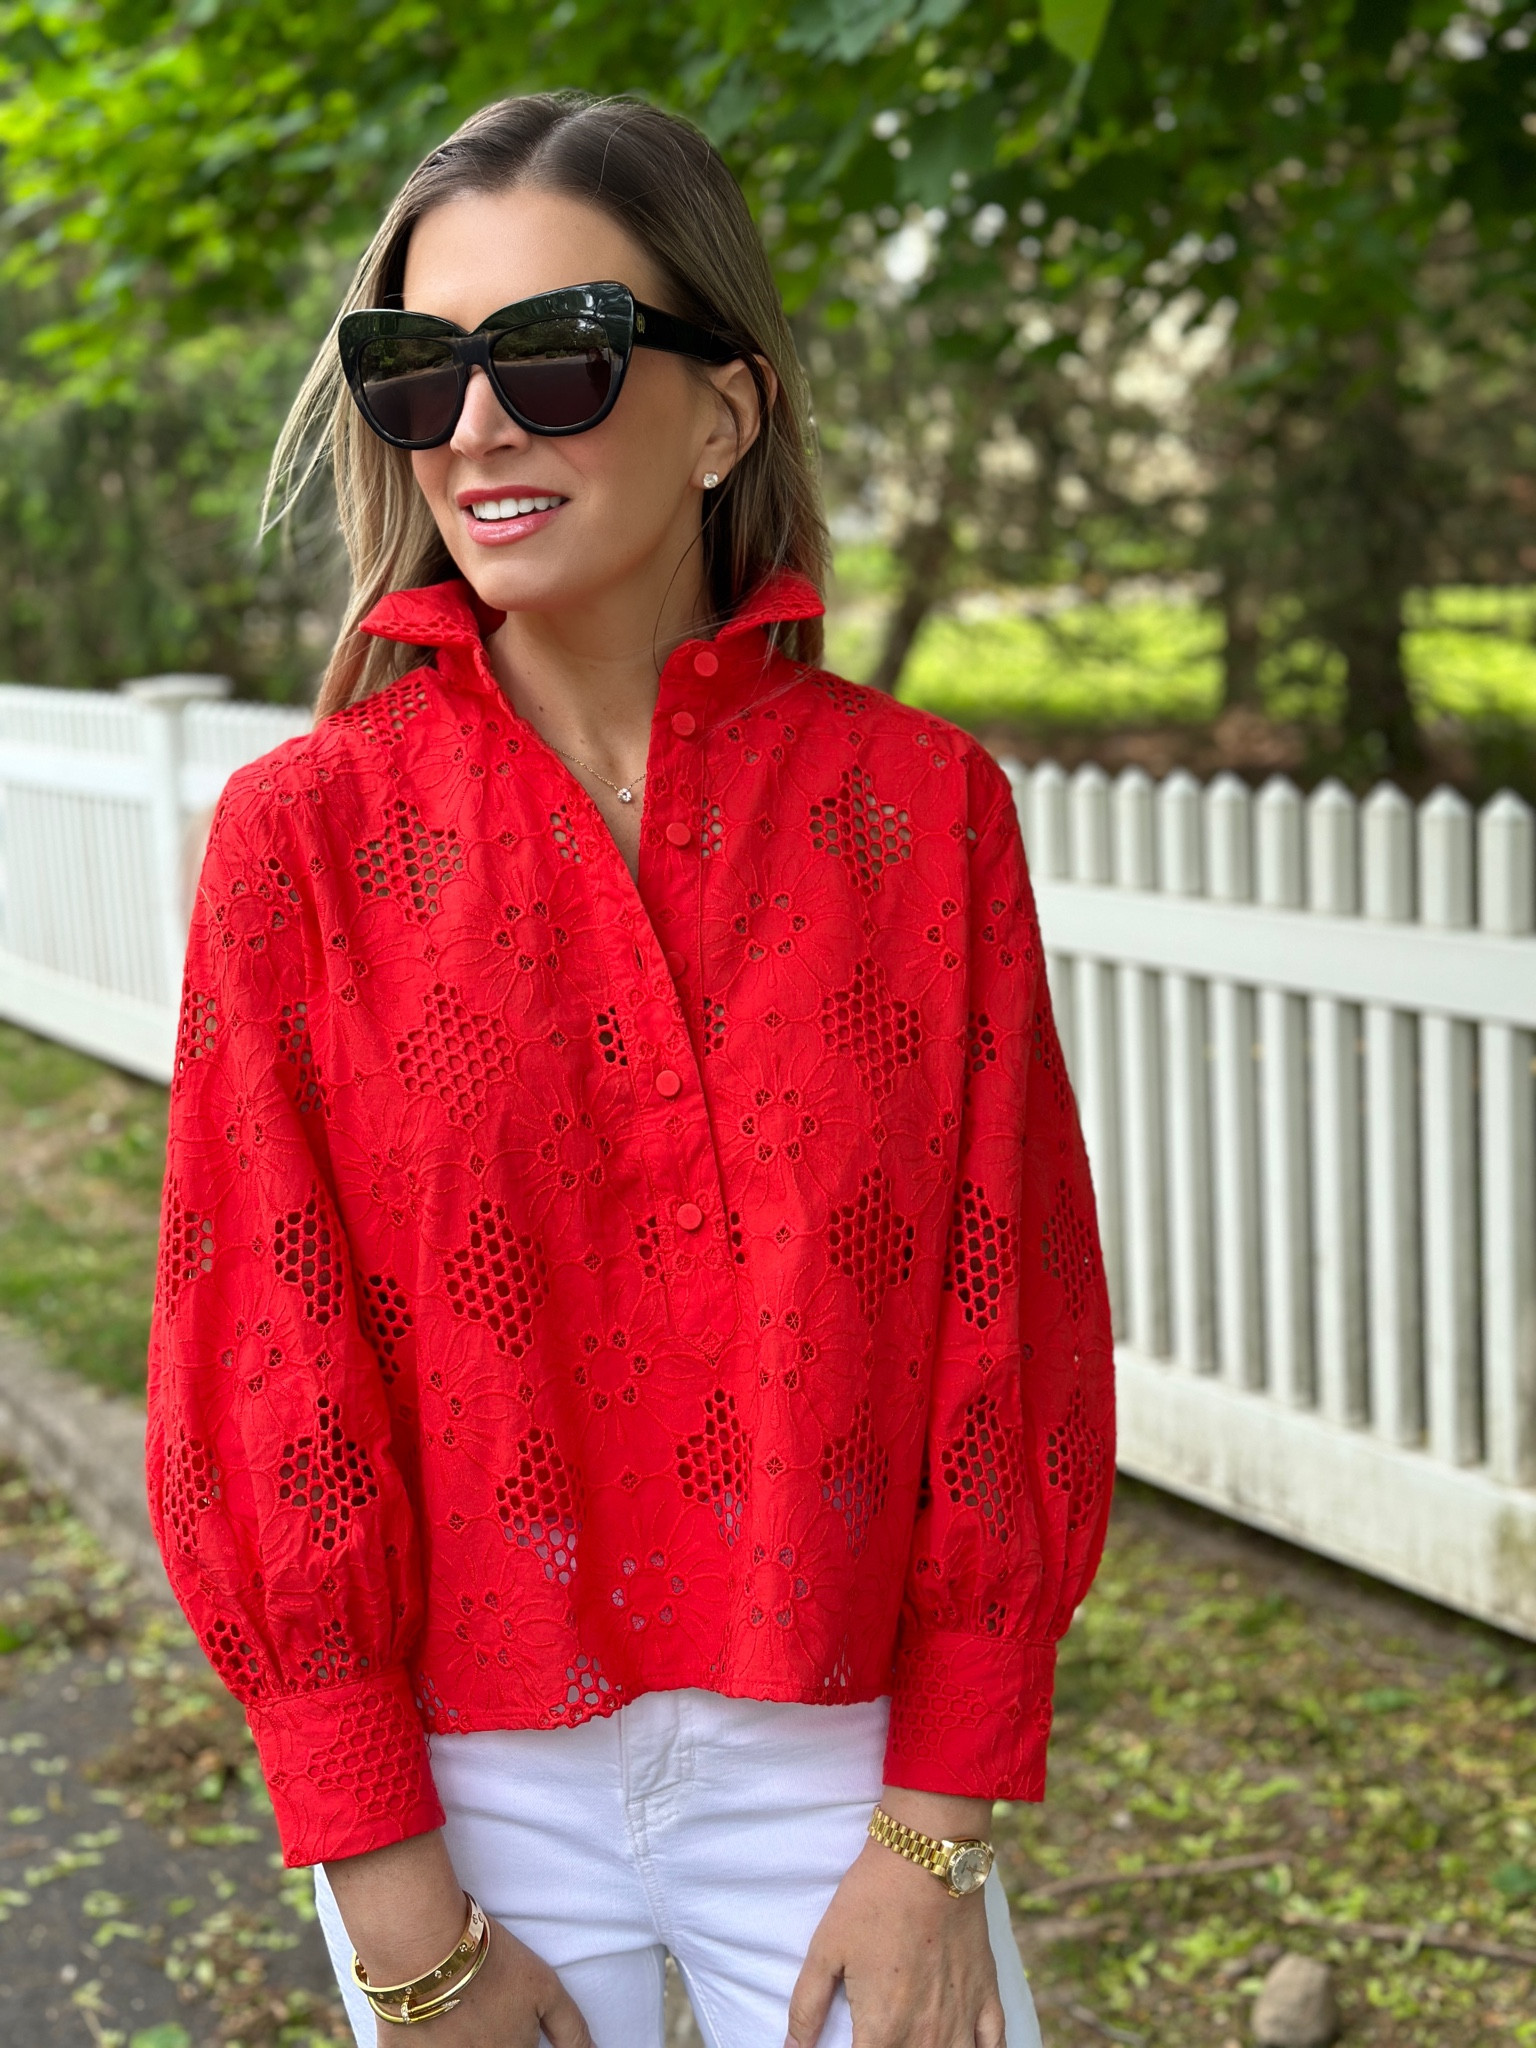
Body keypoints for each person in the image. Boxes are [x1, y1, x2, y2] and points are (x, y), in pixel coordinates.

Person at [145, 89, 1115, 2048]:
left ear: (726, 410)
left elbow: (1007, 1323)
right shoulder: (303, 842)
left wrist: (931, 1829)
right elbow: (266, 1358)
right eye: (419, 372)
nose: (480, 426)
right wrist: (399, 1906)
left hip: (847, 1758)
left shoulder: (921, 814)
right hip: (460, 1777)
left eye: (558, 357)